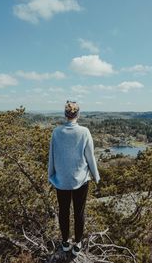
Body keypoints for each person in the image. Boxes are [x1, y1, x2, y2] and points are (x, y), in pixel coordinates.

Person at [48, 100, 100, 256]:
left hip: (61, 180)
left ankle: (65, 242)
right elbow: (90, 157)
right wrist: (96, 176)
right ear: (78, 114)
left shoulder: (56, 132)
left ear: (65, 115)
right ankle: (77, 243)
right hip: (81, 180)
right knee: (79, 212)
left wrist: (51, 175)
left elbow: (52, 156)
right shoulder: (84, 132)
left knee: (63, 212)